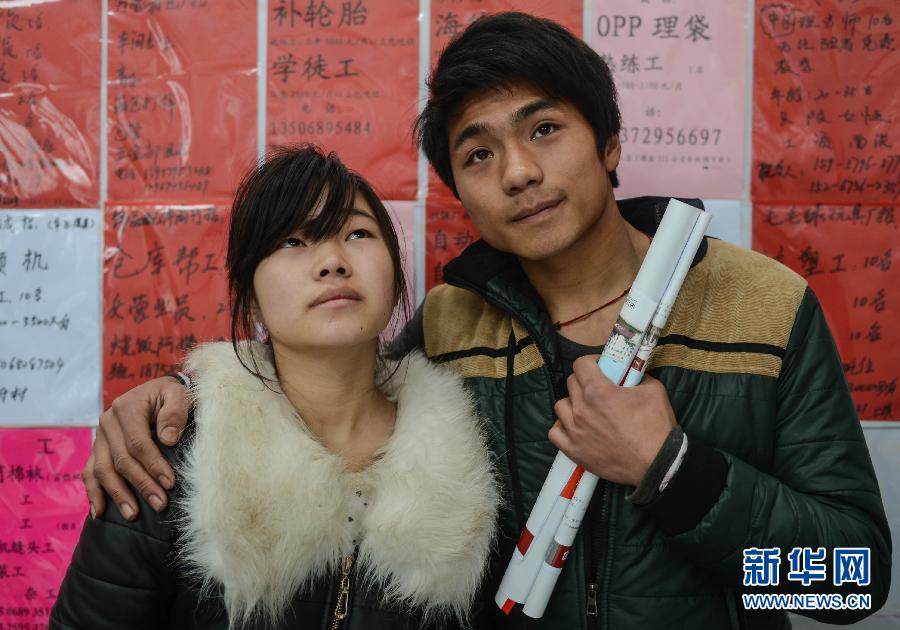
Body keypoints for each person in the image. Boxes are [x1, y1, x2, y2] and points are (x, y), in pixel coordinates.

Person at [81, 12, 891, 630]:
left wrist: (672, 473)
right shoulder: (452, 322)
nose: (519, 172)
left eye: (544, 129)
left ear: (610, 143)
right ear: (458, 193)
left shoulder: (765, 304)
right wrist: (172, 395)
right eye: (478, 155)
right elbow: (322, 386)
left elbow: (854, 584)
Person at [51, 145, 499, 629]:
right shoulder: (174, 456)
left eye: (358, 233)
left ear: (394, 283)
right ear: (251, 297)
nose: (332, 260)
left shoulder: (468, 466)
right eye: (293, 241)